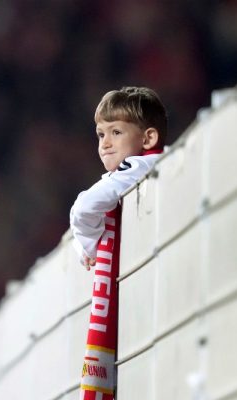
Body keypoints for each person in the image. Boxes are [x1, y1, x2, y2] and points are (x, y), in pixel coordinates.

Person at [69, 86, 167, 270]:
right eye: (101, 134)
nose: (105, 143)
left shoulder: (141, 165)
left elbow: (84, 208)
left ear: (148, 139)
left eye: (116, 132)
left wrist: (89, 245)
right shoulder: (141, 167)